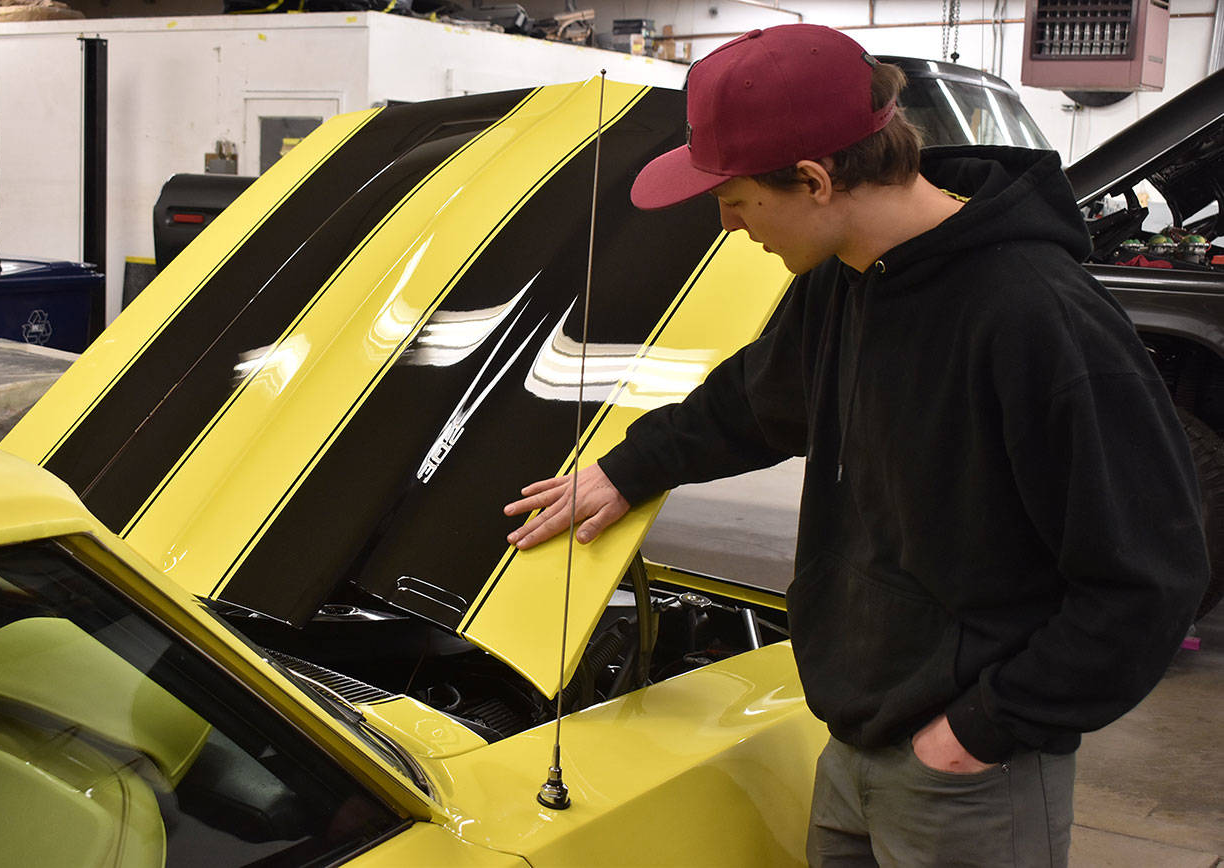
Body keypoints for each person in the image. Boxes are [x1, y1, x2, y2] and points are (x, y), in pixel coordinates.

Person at [502, 23, 1210, 868]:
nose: (728, 225)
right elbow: (752, 402)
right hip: (852, 736)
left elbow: (1151, 581)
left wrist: (980, 731)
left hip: (966, 772)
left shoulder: (1038, 319)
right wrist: (626, 469)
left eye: (733, 199)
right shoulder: (849, 277)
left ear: (811, 178)